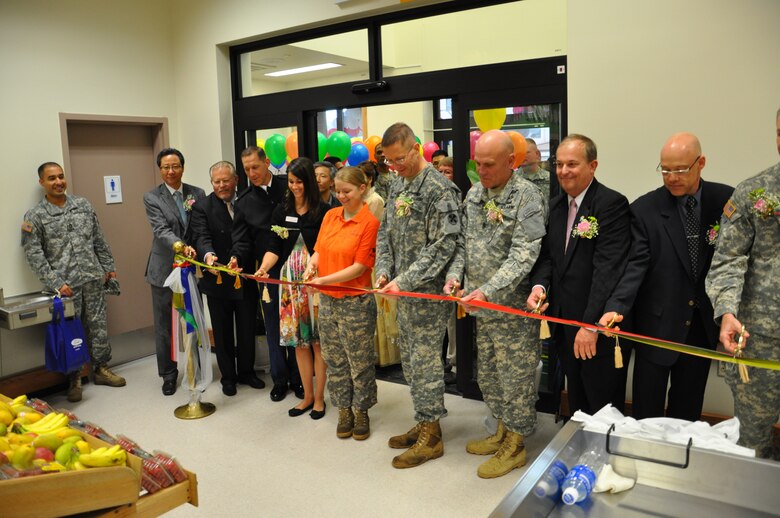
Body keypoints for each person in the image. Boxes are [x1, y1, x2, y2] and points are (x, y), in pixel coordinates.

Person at [598, 133, 732, 421]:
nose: (672, 177)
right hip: (655, 326)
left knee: (688, 409)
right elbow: (636, 265)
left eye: (680, 169)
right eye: (665, 169)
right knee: (647, 410)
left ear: (701, 163)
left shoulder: (725, 201)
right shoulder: (644, 210)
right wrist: (615, 307)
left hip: (699, 328)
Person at [444, 131, 547, 478]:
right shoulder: (475, 193)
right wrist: (456, 277)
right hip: (480, 308)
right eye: (478, 163)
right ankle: (502, 432)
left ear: (512, 162)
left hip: (512, 311)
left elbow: (524, 255)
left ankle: (516, 446)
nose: (482, 171)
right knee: (489, 375)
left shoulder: (527, 197)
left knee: (515, 378)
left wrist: (487, 290)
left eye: (489, 165)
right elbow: (462, 244)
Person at [375, 122, 461, 469]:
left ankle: (433, 438)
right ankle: (425, 421)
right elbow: (386, 233)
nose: (394, 166)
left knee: (425, 362)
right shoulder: (398, 183)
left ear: (416, 149)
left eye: (399, 159)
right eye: (389, 161)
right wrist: (383, 269)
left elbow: (445, 246)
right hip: (401, 291)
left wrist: (405, 279)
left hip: (426, 294)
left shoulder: (441, 190)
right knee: (410, 360)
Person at [527, 134, 630, 416]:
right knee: (577, 402)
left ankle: (604, 459)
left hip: (596, 324)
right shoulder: (556, 206)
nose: (563, 171)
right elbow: (549, 257)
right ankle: (580, 454)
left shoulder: (612, 204)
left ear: (593, 165)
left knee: (602, 404)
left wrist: (590, 325)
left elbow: (608, 270)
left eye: (572, 164)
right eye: (559, 164)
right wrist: (539, 286)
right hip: (563, 323)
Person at [705, 109, 780, 459]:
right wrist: (727, 311)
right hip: (759, 341)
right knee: (751, 439)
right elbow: (728, 260)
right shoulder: (754, 191)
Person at [22, 162, 126, 402]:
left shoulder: (83, 205)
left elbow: (98, 237)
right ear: (42, 183)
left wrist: (108, 266)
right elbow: (33, 254)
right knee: (71, 331)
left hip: (92, 277)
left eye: (61, 176)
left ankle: (101, 369)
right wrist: (56, 282)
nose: (58, 182)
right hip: (65, 286)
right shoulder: (35, 216)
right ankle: (74, 379)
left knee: (98, 325)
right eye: (51, 178)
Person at [308, 166, 381, 440]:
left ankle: (362, 411)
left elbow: (360, 267)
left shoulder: (369, 223)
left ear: (362, 189)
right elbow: (318, 250)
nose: (340, 196)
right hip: (328, 301)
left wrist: (323, 281)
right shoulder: (330, 216)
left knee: (359, 361)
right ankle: (343, 409)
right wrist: (312, 267)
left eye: (346, 191)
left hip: (356, 303)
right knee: (334, 359)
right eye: (337, 191)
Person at [256, 157, 328, 418]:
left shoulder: (324, 211)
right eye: (292, 182)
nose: (295, 187)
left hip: (315, 281)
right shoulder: (281, 210)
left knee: (318, 342)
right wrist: (264, 267)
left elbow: (325, 248)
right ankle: (306, 396)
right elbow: (274, 247)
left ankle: (319, 398)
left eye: (299, 182)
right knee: (298, 342)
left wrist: (314, 271)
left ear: (309, 181)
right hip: (289, 280)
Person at [229, 146, 303, 402]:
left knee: (295, 327)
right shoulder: (244, 201)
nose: (252, 173)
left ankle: (299, 378)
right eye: (247, 169)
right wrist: (236, 259)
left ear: (267, 163)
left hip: (296, 270)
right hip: (268, 273)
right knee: (273, 328)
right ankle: (280, 379)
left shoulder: (288, 186)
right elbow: (241, 240)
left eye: (255, 167)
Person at [189, 161, 264, 397]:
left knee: (246, 326)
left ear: (236, 180)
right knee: (221, 331)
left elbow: (250, 237)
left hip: (244, 275)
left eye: (226, 180)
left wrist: (237, 258)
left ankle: (246, 372)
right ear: (211, 183)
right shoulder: (202, 206)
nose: (221, 186)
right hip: (217, 278)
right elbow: (200, 236)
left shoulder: (247, 202)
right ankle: (228, 377)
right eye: (216, 182)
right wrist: (208, 255)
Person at [144, 148, 206, 396]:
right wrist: (180, 247)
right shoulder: (152, 197)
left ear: (183, 167)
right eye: (166, 167)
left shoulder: (197, 193)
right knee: (164, 326)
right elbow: (161, 230)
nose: (171, 171)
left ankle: (196, 368)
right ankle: (168, 374)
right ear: (160, 169)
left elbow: (201, 227)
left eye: (175, 166)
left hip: (192, 269)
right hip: (164, 269)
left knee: (193, 320)